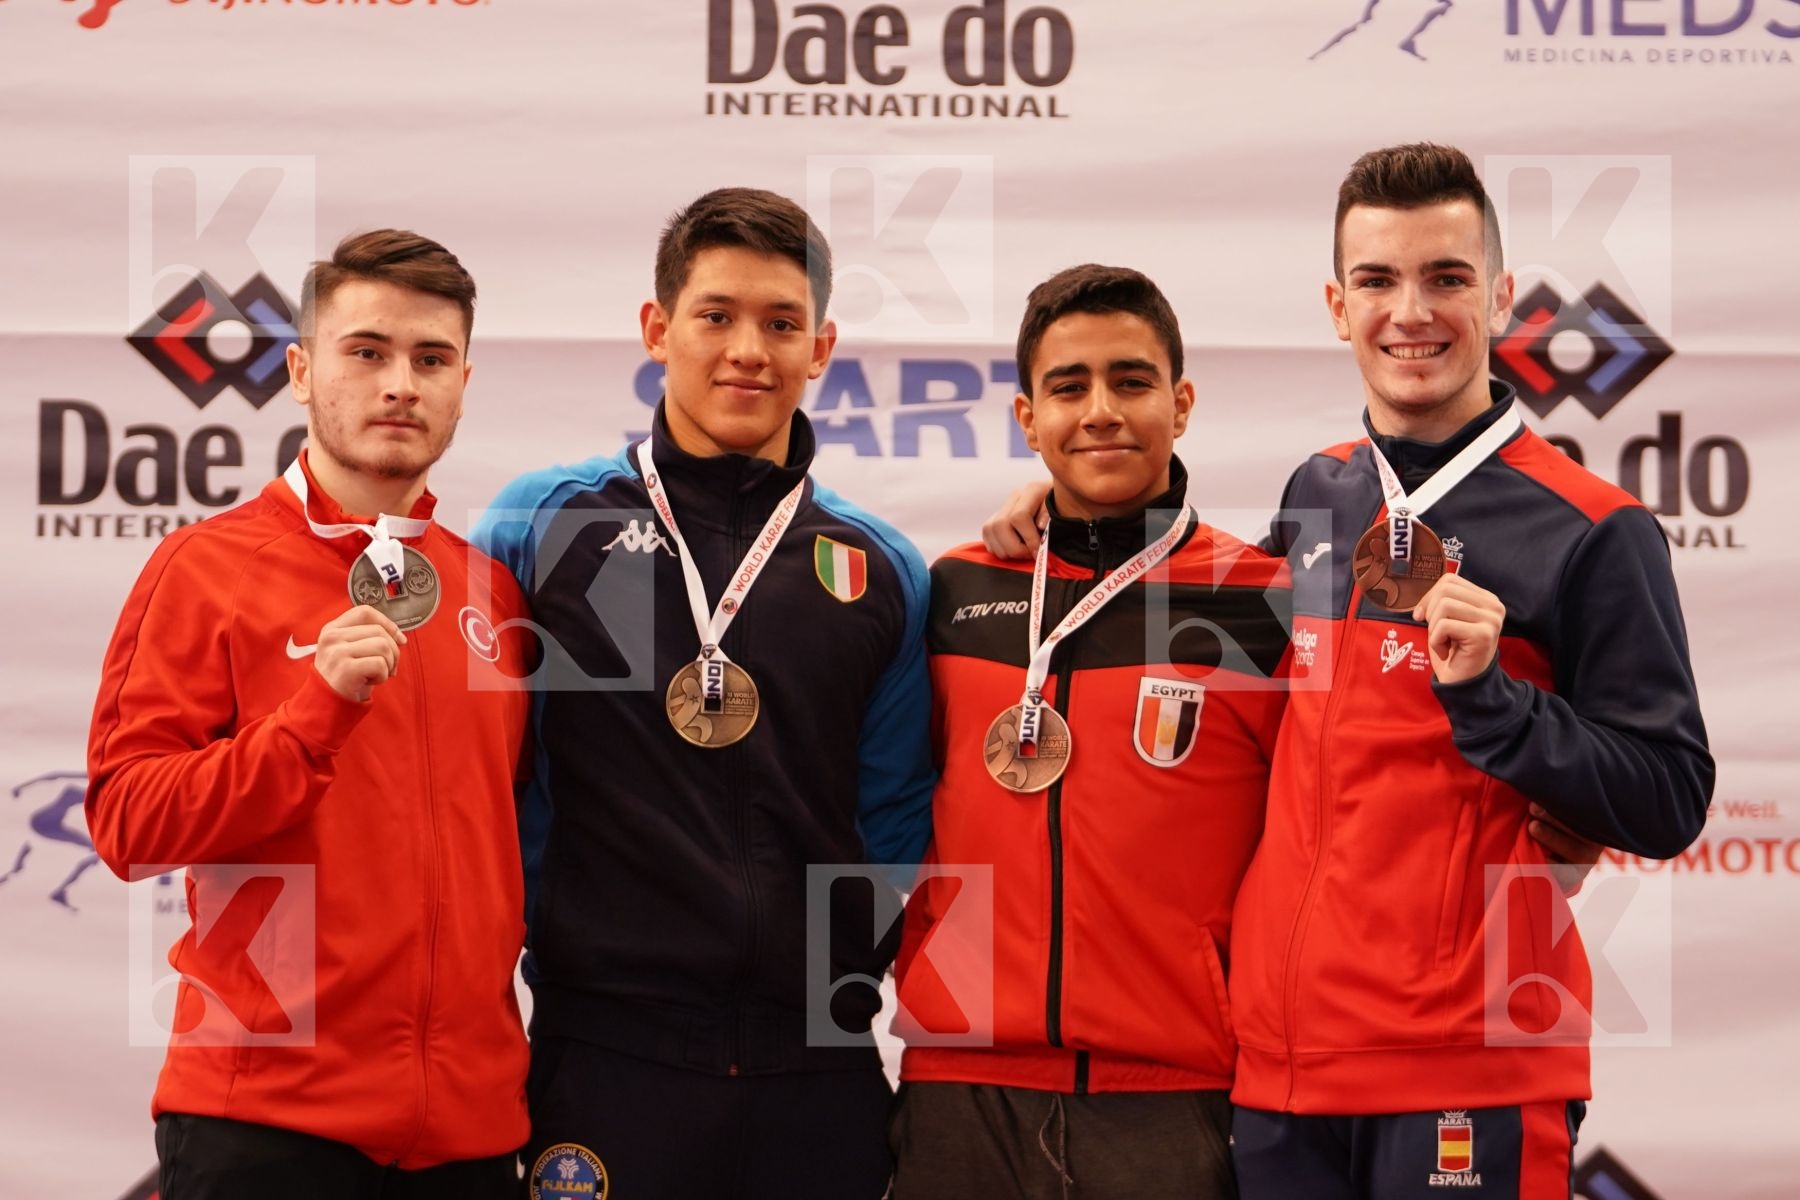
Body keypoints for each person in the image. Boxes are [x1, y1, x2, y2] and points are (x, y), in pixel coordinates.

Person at [985, 144, 1712, 1198]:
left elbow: (1670, 797)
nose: (1409, 311)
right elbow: (1239, 705)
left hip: (1470, 1059)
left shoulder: (1593, 528)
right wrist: (1072, 515)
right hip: (1284, 1068)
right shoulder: (1320, 491)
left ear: (1502, 298)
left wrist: (1493, 705)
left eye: (1446, 279)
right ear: (1337, 305)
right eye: (1377, 280)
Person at [474, 187, 934, 1200]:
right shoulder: (542, 528)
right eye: (715, 316)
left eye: (780, 324)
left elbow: (894, 817)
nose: (747, 351)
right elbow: (476, 783)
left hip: (815, 1071)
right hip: (603, 1058)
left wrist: (827, 993)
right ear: (657, 329)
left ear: (821, 347)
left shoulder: (880, 566)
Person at [85, 230, 533, 1199]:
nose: (400, 384)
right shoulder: (205, 568)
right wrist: (310, 718)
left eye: (430, 358)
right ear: (298, 371)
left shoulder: (492, 593)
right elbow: (126, 824)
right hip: (266, 1125)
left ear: (463, 380)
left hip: (473, 1134)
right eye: (366, 352)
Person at [888, 265, 1290, 1199]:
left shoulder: (1262, 600)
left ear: (1181, 403)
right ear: (1028, 419)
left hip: (1177, 1097)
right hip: (961, 1091)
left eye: (1132, 381)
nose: (1100, 410)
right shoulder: (954, 589)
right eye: (1069, 387)